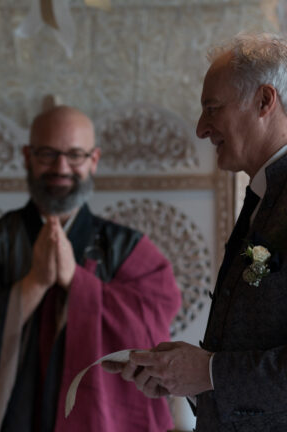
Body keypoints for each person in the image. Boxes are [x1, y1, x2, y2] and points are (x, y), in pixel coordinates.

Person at [0, 105, 181, 432]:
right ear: (27, 156)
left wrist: (77, 283)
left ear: (94, 160)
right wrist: (33, 285)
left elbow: (153, 328)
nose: (61, 167)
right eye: (47, 154)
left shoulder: (127, 248)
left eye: (75, 155)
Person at [102, 33, 287, 431]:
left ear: (264, 102)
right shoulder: (263, 194)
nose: (202, 129)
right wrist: (182, 377)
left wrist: (210, 373)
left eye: (212, 109)